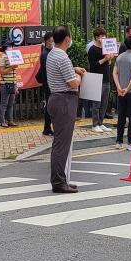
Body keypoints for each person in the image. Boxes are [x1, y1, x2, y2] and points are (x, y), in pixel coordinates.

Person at [44, 26, 84, 193]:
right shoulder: (62, 57)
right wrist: (79, 76)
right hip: (64, 100)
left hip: (55, 98)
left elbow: (63, 72)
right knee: (62, 143)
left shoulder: (53, 54)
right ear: (67, 38)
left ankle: (60, 179)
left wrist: (73, 70)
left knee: (59, 141)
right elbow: (73, 83)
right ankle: (59, 181)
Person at [84, 27, 114, 132]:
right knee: (96, 103)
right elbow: (93, 65)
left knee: (104, 102)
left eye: (104, 35)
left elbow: (108, 64)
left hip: (106, 77)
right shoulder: (92, 49)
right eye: (101, 36)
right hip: (97, 78)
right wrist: (104, 59)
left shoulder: (105, 48)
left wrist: (109, 59)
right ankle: (95, 124)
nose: (104, 37)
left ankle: (101, 122)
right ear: (97, 37)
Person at [0, 42, 18, 128]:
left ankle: (10, 120)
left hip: (12, 82)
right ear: (5, 48)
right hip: (5, 83)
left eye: (11, 46)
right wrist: (12, 67)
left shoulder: (12, 56)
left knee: (11, 103)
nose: (10, 48)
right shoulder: (2, 58)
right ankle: (2, 121)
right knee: (4, 103)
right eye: (9, 46)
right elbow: (2, 71)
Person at [37, 38, 55, 137]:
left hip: (49, 82)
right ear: (47, 42)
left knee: (50, 105)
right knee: (50, 105)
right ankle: (47, 128)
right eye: (52, 40)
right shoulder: (45, 54)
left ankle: (48, 128)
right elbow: (47, 68)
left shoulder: (50, 52)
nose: (53, 42)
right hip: (47, 83)